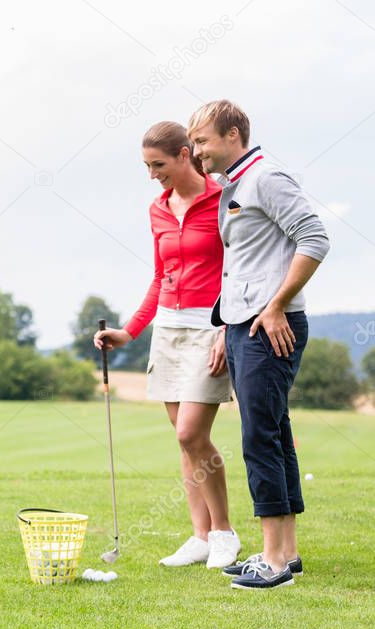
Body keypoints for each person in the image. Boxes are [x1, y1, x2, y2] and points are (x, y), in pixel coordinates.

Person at [187, 100, 329, 590]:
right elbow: (243, 266)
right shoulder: (236, 184)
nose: (196, 150)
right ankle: (285, 553)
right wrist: (227, 328)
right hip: (245, 327)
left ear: (233, 134)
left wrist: (273, 306)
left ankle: (271, 562)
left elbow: (315, 237)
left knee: (259, 438)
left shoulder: (266, 178)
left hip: (271, 327)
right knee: (274, 432)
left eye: (202, 141)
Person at [95, 121, 241, 570]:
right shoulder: (158, 209)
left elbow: (239, 267)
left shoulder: (223, 199)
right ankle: (199, 536)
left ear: (184, 154)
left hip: (209, 328)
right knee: (185, 445)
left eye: (157, 164)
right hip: (169, 331)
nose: (152, 174)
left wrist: (226, 329)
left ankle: (224, 533)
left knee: (191, 434)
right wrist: (130, 331)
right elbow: (161, 278)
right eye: (146, 166)